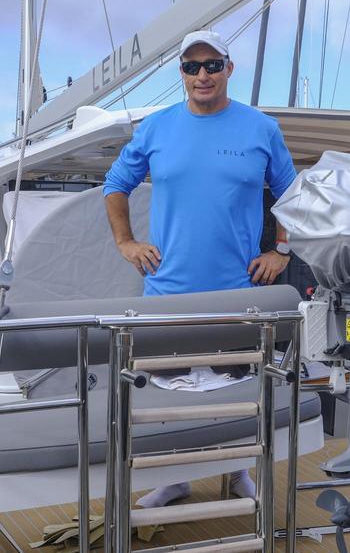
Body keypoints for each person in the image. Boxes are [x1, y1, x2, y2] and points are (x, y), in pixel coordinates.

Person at [102, 29, 297, 508]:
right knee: (170, 397)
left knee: (239, 387)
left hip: (238, 292)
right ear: (182, 75)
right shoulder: (155, 127)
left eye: (212, 65)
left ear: (229, 69)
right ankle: (176, 479)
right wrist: (126, 242)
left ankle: (235, 473)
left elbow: (293, 193)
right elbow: (115, 183)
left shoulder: (261, 128)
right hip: (169, 291)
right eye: (192, 67)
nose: (203, 75)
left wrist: (282, 251)